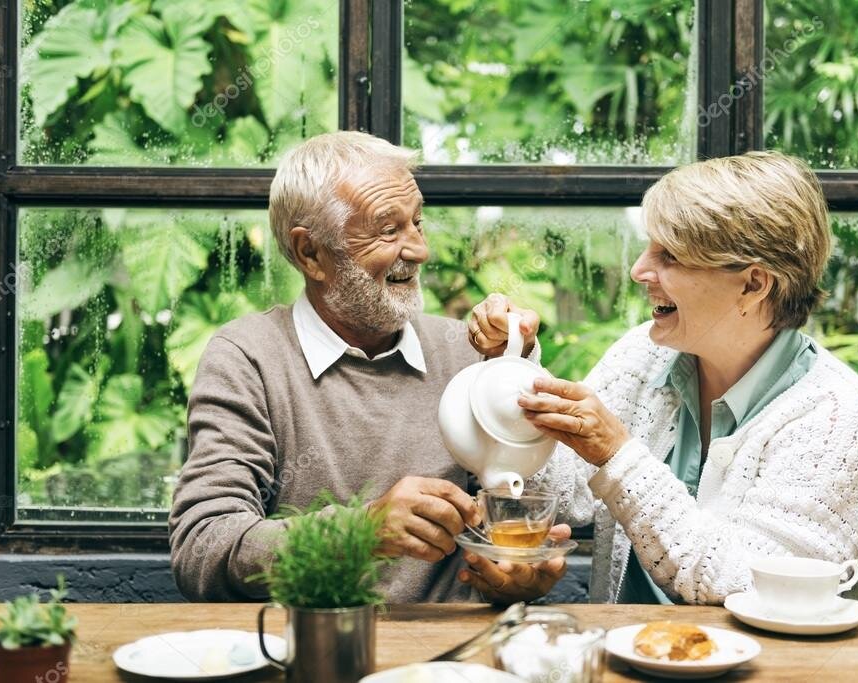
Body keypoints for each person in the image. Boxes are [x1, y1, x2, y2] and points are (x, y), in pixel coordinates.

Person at [466, 151, 858, 605]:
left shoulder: (838, 413)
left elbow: (749, 586)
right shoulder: (642, 355)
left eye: (668, 256)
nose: (639, 271)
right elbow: (559, 494)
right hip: (627, 657)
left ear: (753, 284)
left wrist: (617, 455)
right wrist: (512, 369)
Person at [169, 131, 567, 604]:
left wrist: (518, 579)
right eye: (387, 229)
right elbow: (202, 549)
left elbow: (515, 523)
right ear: (310, 254)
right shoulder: (248, 358)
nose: (418, 250)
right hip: (314, 654)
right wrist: (361, 533)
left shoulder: (468, 353)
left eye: (417, 223)